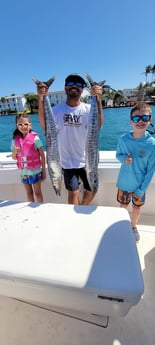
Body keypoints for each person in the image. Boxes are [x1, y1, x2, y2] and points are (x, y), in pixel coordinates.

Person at [37, 73, 103, 205]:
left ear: (83, 89)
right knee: (73, 193)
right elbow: (45, 125)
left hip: (87, 159)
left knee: (92, 189)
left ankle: (82, 209)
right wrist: (41, 97)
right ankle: (74, 219)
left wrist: (98, 98)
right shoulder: (56, 110)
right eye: (70, 83)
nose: (74, 86)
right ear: (65, 87)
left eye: (78, 84)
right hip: (66, 161)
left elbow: (98, 126)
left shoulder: (88, 109)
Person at [116, 103, 155, 242]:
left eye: (145, 117)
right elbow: (118, 155)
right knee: (122, 207)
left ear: (150, 120)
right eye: (137, 118)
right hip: (124, 183)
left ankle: (133, 226)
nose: (141, 121)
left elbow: (151, 170)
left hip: (140, 186)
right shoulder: (123, 139)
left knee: (136, 208)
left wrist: (141, 189)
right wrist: (123, 159)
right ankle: (121, 225)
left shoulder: (152, 144)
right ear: (131, 121)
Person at [12, 113, 46, 202]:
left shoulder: (35, 139)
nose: (23, 126)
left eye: (26, 124)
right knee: (29, 193)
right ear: (17, 126)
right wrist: (15, 152)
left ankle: (39, 208)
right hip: (24, 172)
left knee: (37, 192)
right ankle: (31, 211)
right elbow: (14, 158)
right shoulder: (15, 140)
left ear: (30, 125)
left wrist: (44, 171)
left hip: (35, 172)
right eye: (20, 124)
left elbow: (42, 155)